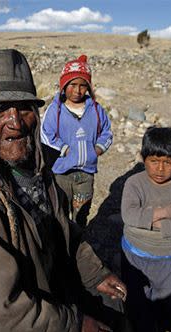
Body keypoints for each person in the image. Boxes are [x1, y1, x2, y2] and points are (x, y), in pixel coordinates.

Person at [0, 49, 127, 332]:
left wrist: (94, 272)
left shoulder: (35, 163)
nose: (16, 122)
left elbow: (62, 228)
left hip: (40, 306)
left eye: (24, 108)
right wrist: (73, 331)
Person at [119, 126, 171, 332]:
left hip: (166, 260)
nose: (161, 169)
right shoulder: (134, 183)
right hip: (133, 257)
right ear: (144, 158)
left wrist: (151, 222)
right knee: (138, 311)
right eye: (154, 161)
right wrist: (163, 213)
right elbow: (129, 216)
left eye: (168, 162)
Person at [40, 54, 112, 226]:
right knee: (61, 213)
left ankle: (78, 244)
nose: (77, 90)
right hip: (61, 173)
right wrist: (63, 149)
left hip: (86, 174)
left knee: (81, 215)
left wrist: (97, 150)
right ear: (64, 85)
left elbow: (107, 132)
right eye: (72, 85)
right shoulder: (55, 110)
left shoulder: (96, 110)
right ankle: (63, 247)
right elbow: (45, 134)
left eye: (82, 86)